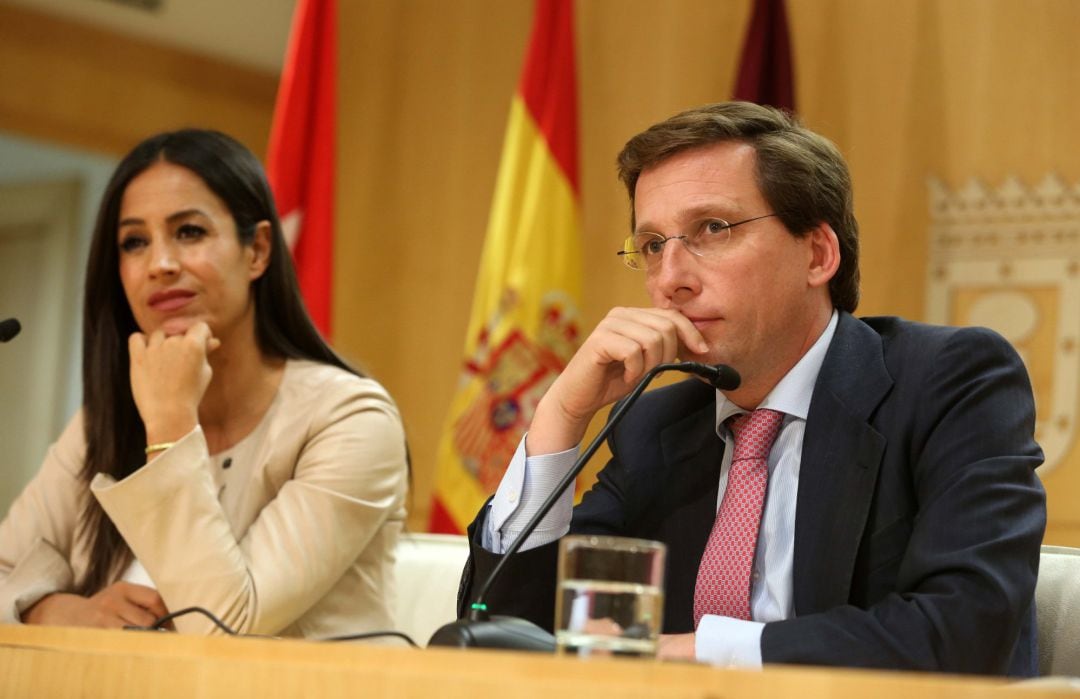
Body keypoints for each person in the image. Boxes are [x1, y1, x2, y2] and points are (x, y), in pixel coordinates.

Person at [460, 102, 1046, 675]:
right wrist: (563, 412)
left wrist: (691, 653)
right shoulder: (656, 425)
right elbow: (506, 636)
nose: (670, 280)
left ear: (817, 255)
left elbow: (964, 631)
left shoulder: (948, 380)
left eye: (712, 228)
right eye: (653, 245)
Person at [0, 129, 408, 637]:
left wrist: (169, 424)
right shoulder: (101, 424)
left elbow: (221, 628)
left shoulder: (350, 419)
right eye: (134, 242)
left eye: (189, 232)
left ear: (257, 250)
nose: (161, 264)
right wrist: (53, 610)